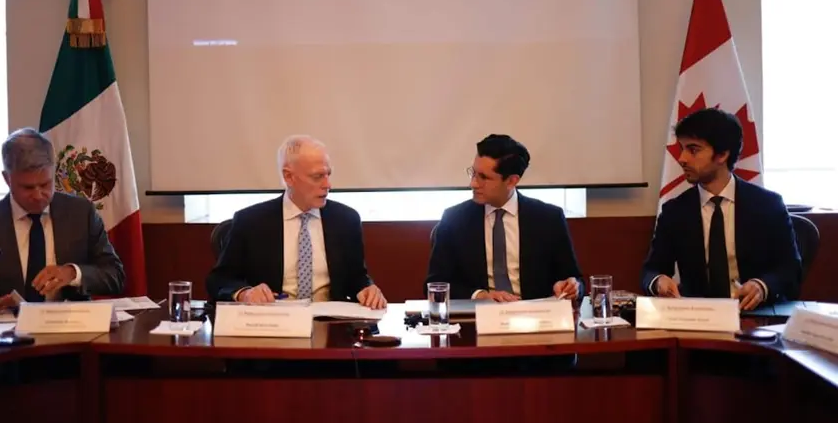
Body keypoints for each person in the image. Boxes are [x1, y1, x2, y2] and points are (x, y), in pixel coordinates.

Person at [641, 108, 801, 310]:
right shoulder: (675, 211)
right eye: (682, 149)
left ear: (722, 154)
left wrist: (762, 286)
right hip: (698, 315)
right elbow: (651, 270)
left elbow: (790, 268)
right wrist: (658, 281)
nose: (682, 158)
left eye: (693, 150)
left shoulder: (767, 205)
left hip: (753, 313)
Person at [0, 128, 125, 310]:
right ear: (7, 179)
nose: (38, 195)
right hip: (7, 326)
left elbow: (115, 275)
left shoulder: (81, 214)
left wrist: (73, 273)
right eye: (27, 187)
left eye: (45, 184)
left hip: (70, 324)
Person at [206, 135, 387, 309]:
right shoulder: (251, 221)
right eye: (317, 176)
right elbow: (219, 280)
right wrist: (245, 293)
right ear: (289, 177)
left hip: (329, 321)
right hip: (273, 321)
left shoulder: (346, 219)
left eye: (328, 175)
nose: (328, 185)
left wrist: (368, 289)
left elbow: (357, 278)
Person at [426, 134, 584, 301]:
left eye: (484, 177)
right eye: (473, 173)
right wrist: (481, 296)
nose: (473, 183)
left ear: (511, 181)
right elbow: (434, 284)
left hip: (536, 312)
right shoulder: (454, 220)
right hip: (478, 313)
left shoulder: (549, 219)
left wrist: (571, 287)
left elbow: (574, 279)